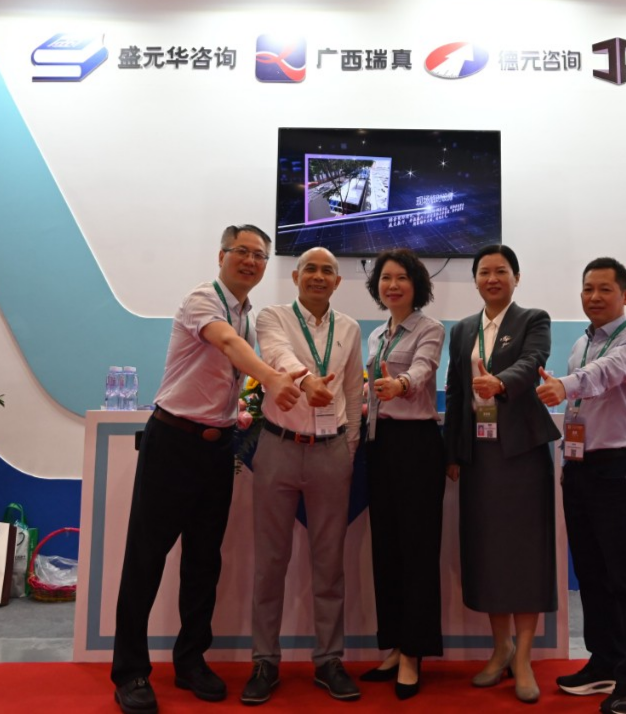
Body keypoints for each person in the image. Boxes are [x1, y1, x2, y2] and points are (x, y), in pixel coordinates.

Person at [111, 225, 304, 714]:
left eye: (260, 256)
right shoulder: (204, 300)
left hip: (218, 449)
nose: (251, 261)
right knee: (146, 559)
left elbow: (235, 363)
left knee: (203, 561)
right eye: (242, 251)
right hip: (173, 442)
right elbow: (228, 346)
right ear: (222, 256)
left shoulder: (247, 314)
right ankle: (130, 671)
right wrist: (272, 378)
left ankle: (191, 661)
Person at [240, 247, 364, 705]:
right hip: (278, 449)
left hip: (332, 451)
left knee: (329, 563)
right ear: (295, 276)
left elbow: (353, 391)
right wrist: (305, 378)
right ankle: (264, 661)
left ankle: (329, 660)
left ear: (337, 282)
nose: (318, 276)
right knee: (270, 562)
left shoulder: (349, 328)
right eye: (309, 268)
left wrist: (349, 448)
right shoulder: (272, 316)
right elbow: (277, 354)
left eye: (327, 270)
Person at [536, 257, 626, 714]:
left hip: (618, 470)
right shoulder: (580, 344)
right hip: (579, 469)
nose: (594, 297)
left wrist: (565, 386)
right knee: (591, 574)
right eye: (588, 288)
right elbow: (580, 399)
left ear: (625, 296)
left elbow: (605, 375)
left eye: (605, 289)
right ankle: (604, 662)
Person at [443, 244, 560, 704]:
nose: (492, 278)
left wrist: (501, 381)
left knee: (525, 554)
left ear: (516, 277)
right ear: (475, 279)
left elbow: (532, 364)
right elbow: (456, 391)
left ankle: (524, 658)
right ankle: (501, 648)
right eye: (485, 272)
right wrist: (453, 451)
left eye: (501, 271)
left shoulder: (534, 319)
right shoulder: (462, 330)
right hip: (479, 454)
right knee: (489, 552)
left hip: (522, 453)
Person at [359, 249, 446, 700]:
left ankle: (414, 653)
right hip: (380, 444)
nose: (392, 285)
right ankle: (394, 645)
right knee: (387, 550)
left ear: (417, 285)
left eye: (401, 278)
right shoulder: (377, 335)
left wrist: (400, 385)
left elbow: (423, 369)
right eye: (385, 278)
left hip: (417, 446)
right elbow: (372, 389)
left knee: (417, 550)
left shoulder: (430, 328)